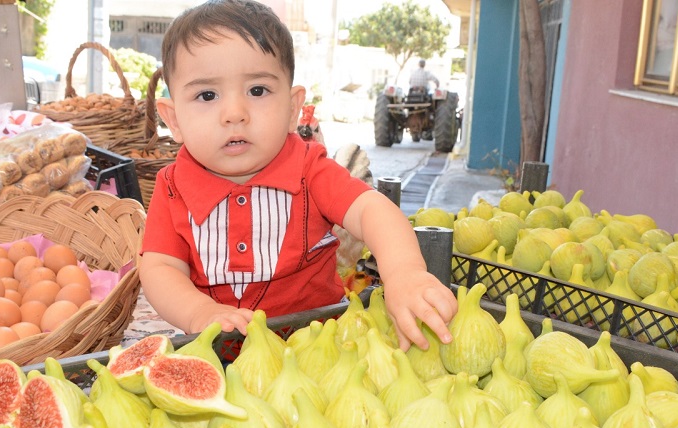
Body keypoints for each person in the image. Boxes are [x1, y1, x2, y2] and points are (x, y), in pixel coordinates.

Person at [138, 0, 457, 351]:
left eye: (257, 91)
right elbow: (160, 269)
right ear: (174, 120)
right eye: (207, 94)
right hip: (216, 353)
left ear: (292, 110)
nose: (234, 113)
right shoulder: (172, 188)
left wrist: (404, 272)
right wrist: (199, 312)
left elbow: (371, 210)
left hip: (322, 351)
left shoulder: (310, 169)